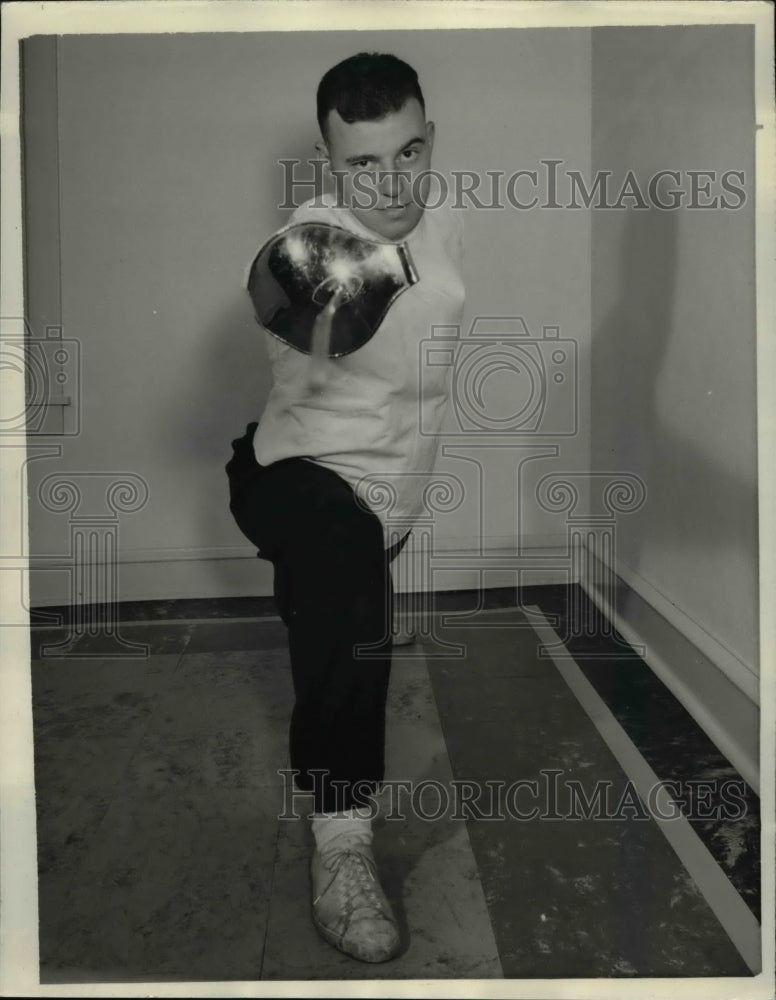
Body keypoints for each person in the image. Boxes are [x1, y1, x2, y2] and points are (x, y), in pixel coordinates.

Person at [225, 52, 465, 963]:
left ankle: (336, 611)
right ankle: (342, 840)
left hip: (389, 493)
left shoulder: (444, 223)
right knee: (346, 587)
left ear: (428, 140)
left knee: (344, 605)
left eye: (408, 154)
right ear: (331, 165)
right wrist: (316, 290)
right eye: (363, 165)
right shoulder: (313, 242)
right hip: (299, 478)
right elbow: (279, 284)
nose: (391, 183)